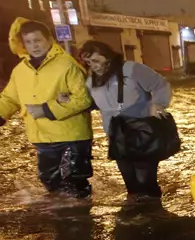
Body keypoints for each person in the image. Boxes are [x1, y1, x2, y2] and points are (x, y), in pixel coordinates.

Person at [0, 18, 93, 198]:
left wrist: (46, 110)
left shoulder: (67, 64)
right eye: (28, 42)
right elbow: (10, 98)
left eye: (37, 40)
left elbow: (83, 98)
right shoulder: (20, 70)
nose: (34, 46)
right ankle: (62, 222)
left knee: (74, 184)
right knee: (51, 182)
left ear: (49, 40)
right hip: (42, 137)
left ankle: (81, 222)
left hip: (71, 137)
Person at [78, 40, 172, 198]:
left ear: (108, 56)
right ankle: (138, 215)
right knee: (130, 183)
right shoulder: (91, 81)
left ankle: (155, 214)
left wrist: (158, 104)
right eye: (88, 62)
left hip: (142, 132)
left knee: (146, 181)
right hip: (116, 135)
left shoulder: (132, 69)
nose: (93, 66)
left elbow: (160, 84)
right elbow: (93, 104)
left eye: (96, 60)